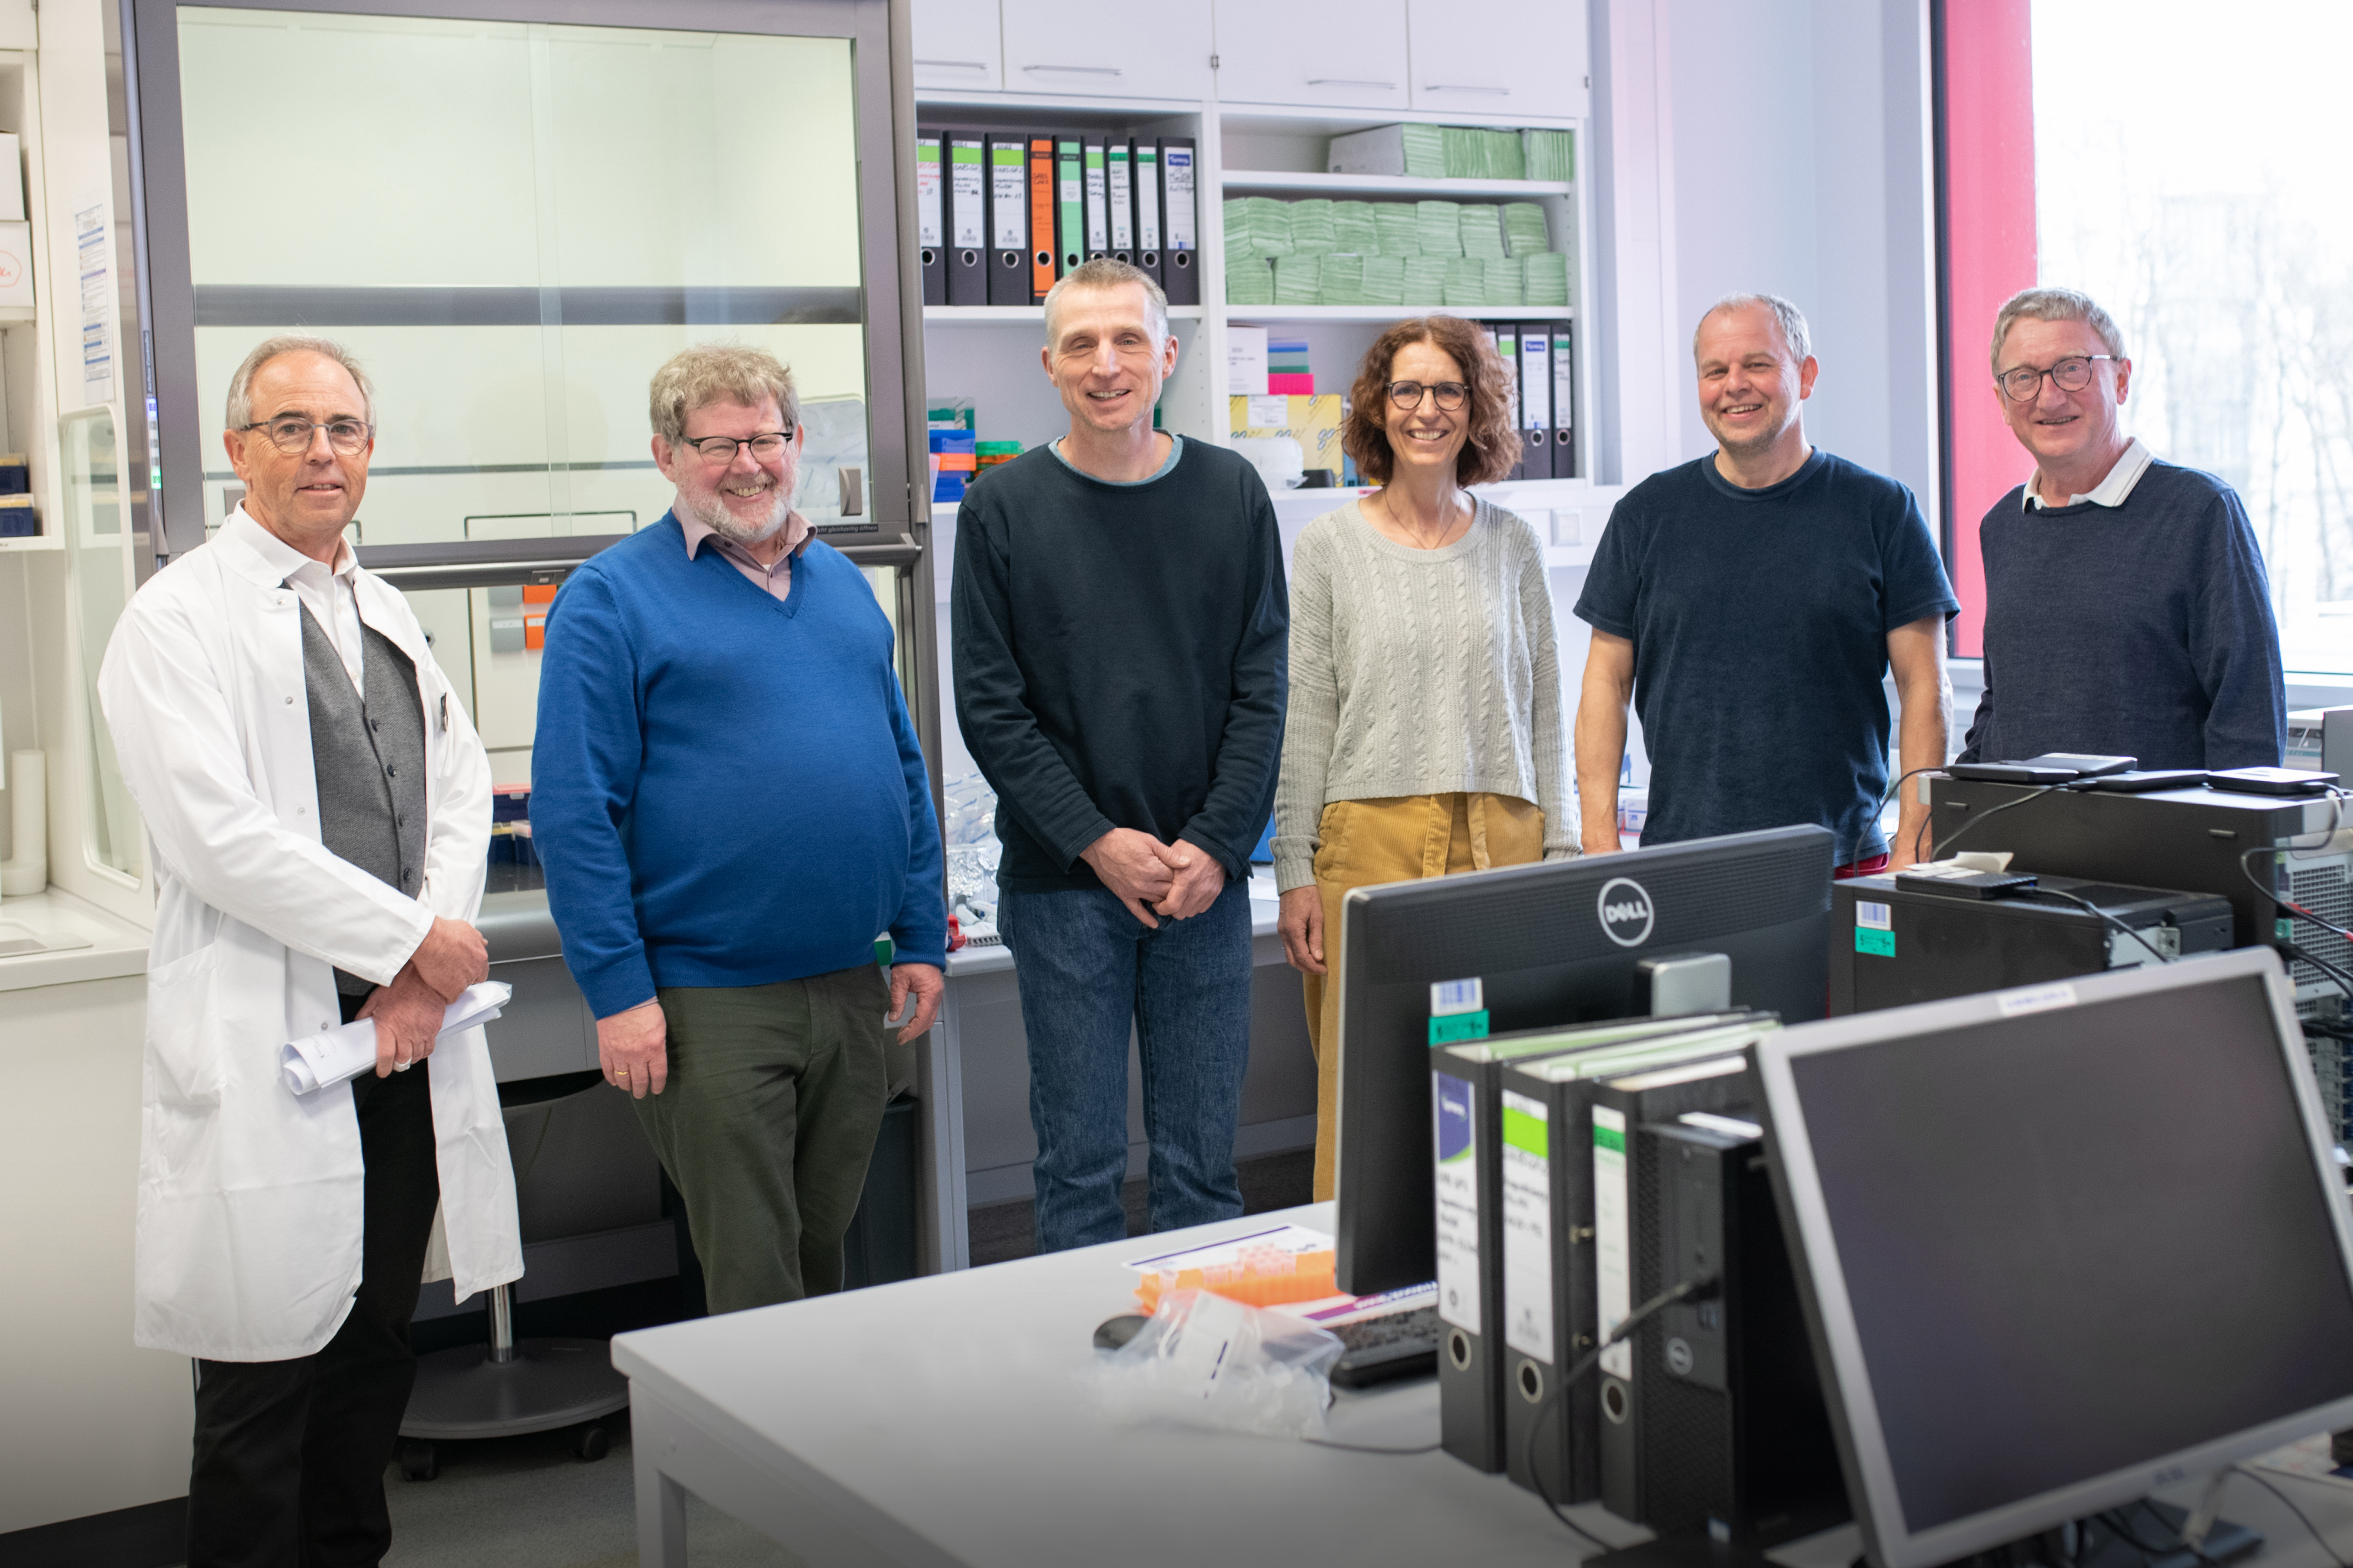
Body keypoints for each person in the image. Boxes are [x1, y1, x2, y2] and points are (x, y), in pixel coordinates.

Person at [96, 335, 520, 1568]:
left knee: (372, 1355)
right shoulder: (173, 620)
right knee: (258, 1390)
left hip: (397, 1050)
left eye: (342, 427)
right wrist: (413, 944)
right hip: (275, 1047)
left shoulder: (382, 609)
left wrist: (418, 972)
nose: (320, 450)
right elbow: (218, 837)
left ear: (371, 452)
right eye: (288, 427)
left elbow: (456, 789)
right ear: (237, 450)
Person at [532, 343, 946, 1312]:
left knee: (818, 1252)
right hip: (708, 1000)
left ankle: (802, 1454)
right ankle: (740, 1460)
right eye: (717, 443)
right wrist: (619, 991)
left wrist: (921, 933)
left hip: (851, 983)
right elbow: (574, 810)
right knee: (754, 1272)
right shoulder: (608, 598)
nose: (747, 462)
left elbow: (900, 766)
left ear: (797, 442)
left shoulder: (839, 580)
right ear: (666, 454)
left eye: (765, 437)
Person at [952, 258, 1287, 1252]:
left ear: (1167, 356)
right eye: (1084, 344)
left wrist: (1219, 846)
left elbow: (1263, 688)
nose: (1108, 364)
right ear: (1050, 364)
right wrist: (1097, 842)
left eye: (1129, 339)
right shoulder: (1002, 508)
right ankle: (1088, 1393)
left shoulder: (1231, 493)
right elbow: (990, 706)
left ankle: (1204, 1375)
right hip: (1064, 893)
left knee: (1200, 1166)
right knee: (1079, 1168)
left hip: (1205, 887)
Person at [1273, 317, 1574, 1201]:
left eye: (1448, 389)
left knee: (1504, 1085)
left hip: (1504, 840)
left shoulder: (1512, 543)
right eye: (1406, 389)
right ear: (1376, 406)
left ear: (1474, 407)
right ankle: (1358, 1303)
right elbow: (1306, 717)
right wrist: (1295, 866)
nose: (1426, 409)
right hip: (1367, 845)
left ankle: (1500, 1282)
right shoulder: (1327, 546)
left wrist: (1559, 847)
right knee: (1366, 1090)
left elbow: (1546, 707)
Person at [1575, 293, 1957, 873]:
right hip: (1681, 865)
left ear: (1805, 376)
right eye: (1715, 371)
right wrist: (1599, 842)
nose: (1735, 385)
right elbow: (1605, 682)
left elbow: (1925, 687)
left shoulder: (1882, 510)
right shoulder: (1645, 514)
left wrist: (1916, 837)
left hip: (1840, 864)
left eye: (1757, 364)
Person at [1959, 286, 2285, 771]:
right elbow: (2002, 700)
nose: (2049, 396)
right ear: (2003, 402)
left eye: (2072, 368)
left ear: (2122, 380)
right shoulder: (2003, 525)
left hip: (2154, 842)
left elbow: (2248, 715)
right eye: (2023, 378)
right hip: (2015, 839)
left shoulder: (2201, 512)